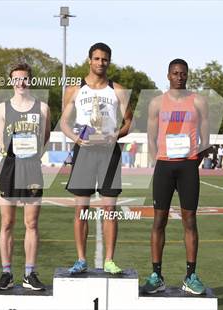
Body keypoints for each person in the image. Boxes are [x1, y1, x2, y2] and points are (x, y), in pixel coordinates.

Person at [60, 42, 133, 274]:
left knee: (109, 208)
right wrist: (76, 138)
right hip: (84, 151)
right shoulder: (74, 89)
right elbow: (63, 122)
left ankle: (109, 260)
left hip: (109, 152)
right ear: (89, 60)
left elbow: (129, 122)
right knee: (81, 209)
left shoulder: (118, 90)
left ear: (109, 62)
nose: (101, 63)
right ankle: (81, 259)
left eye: (105, 59)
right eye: (97, 58)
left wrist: (115, 135)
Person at [143, 59, 209, 295]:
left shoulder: (198, 101)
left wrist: (192, 161)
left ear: (188, 75)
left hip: (188, 167)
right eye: (175, 73)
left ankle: (190, 275)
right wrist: (158, 160)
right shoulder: (157, 103)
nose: (179, 77)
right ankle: (156, 275)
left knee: (190, 221)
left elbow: (205, 139)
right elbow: (150, 137)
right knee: (159, 221)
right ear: (168, 75)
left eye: (183, 73)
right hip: (164, 167)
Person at [0, 62, 51, 291]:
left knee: (31, 223)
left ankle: (29, 274)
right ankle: (6, 273)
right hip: (9, 167)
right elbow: (0, 140)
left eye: (25, 78)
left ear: (31, 80)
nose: (21, 82)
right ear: (11, 81)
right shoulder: (1, 108)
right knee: (7, 222)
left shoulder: (43, 108)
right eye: (16, 79)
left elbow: (45, 138)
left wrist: (31, 152)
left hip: (32, 169)